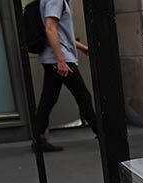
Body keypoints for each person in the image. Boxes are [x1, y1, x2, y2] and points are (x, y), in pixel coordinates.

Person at [35, 0, 98, 152]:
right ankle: (103, 133)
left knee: (48, 99)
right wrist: (61, 60)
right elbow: (50, 29)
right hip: (60, 59)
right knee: (83, 95)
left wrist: (82, 47)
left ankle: (39, 138)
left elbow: (61, 33)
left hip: (53, 58)